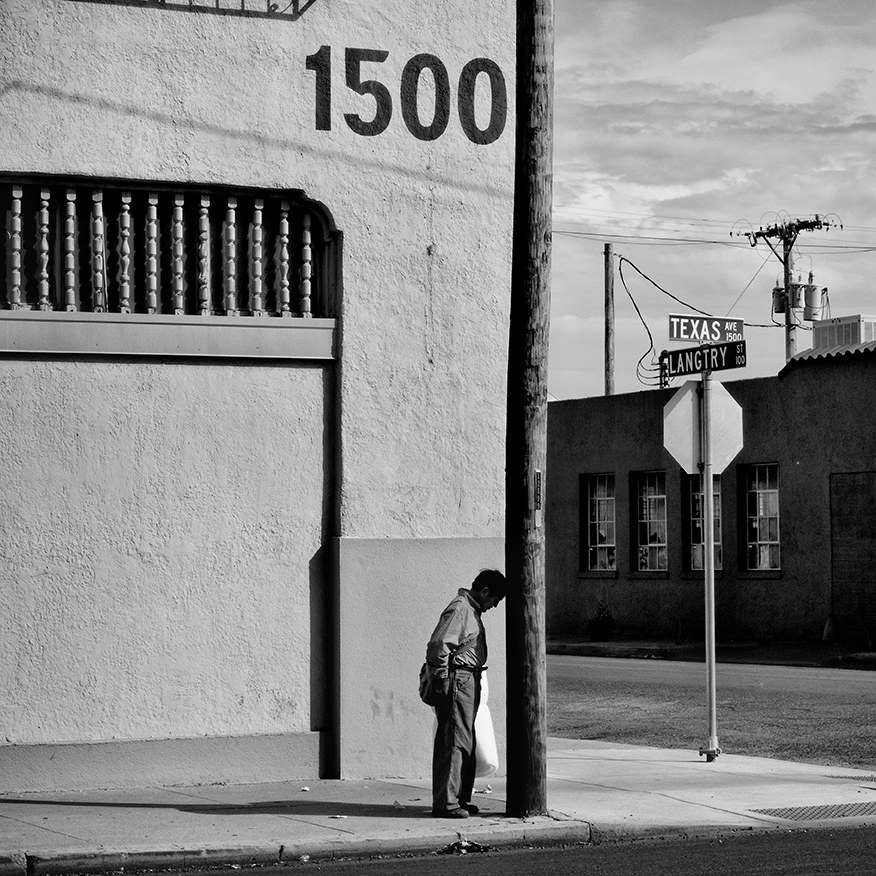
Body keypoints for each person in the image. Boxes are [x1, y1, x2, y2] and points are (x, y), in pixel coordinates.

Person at [425, 569, 507, 818]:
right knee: (454, 742)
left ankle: (458, 798)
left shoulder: (470, 609)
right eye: (495, 599)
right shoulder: (461, 608)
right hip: (458, 679)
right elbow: (438, 646)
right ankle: (447, 804)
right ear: (484, 592)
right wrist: (441, 680)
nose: (494, 606)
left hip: (467, 678)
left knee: (466, 741)